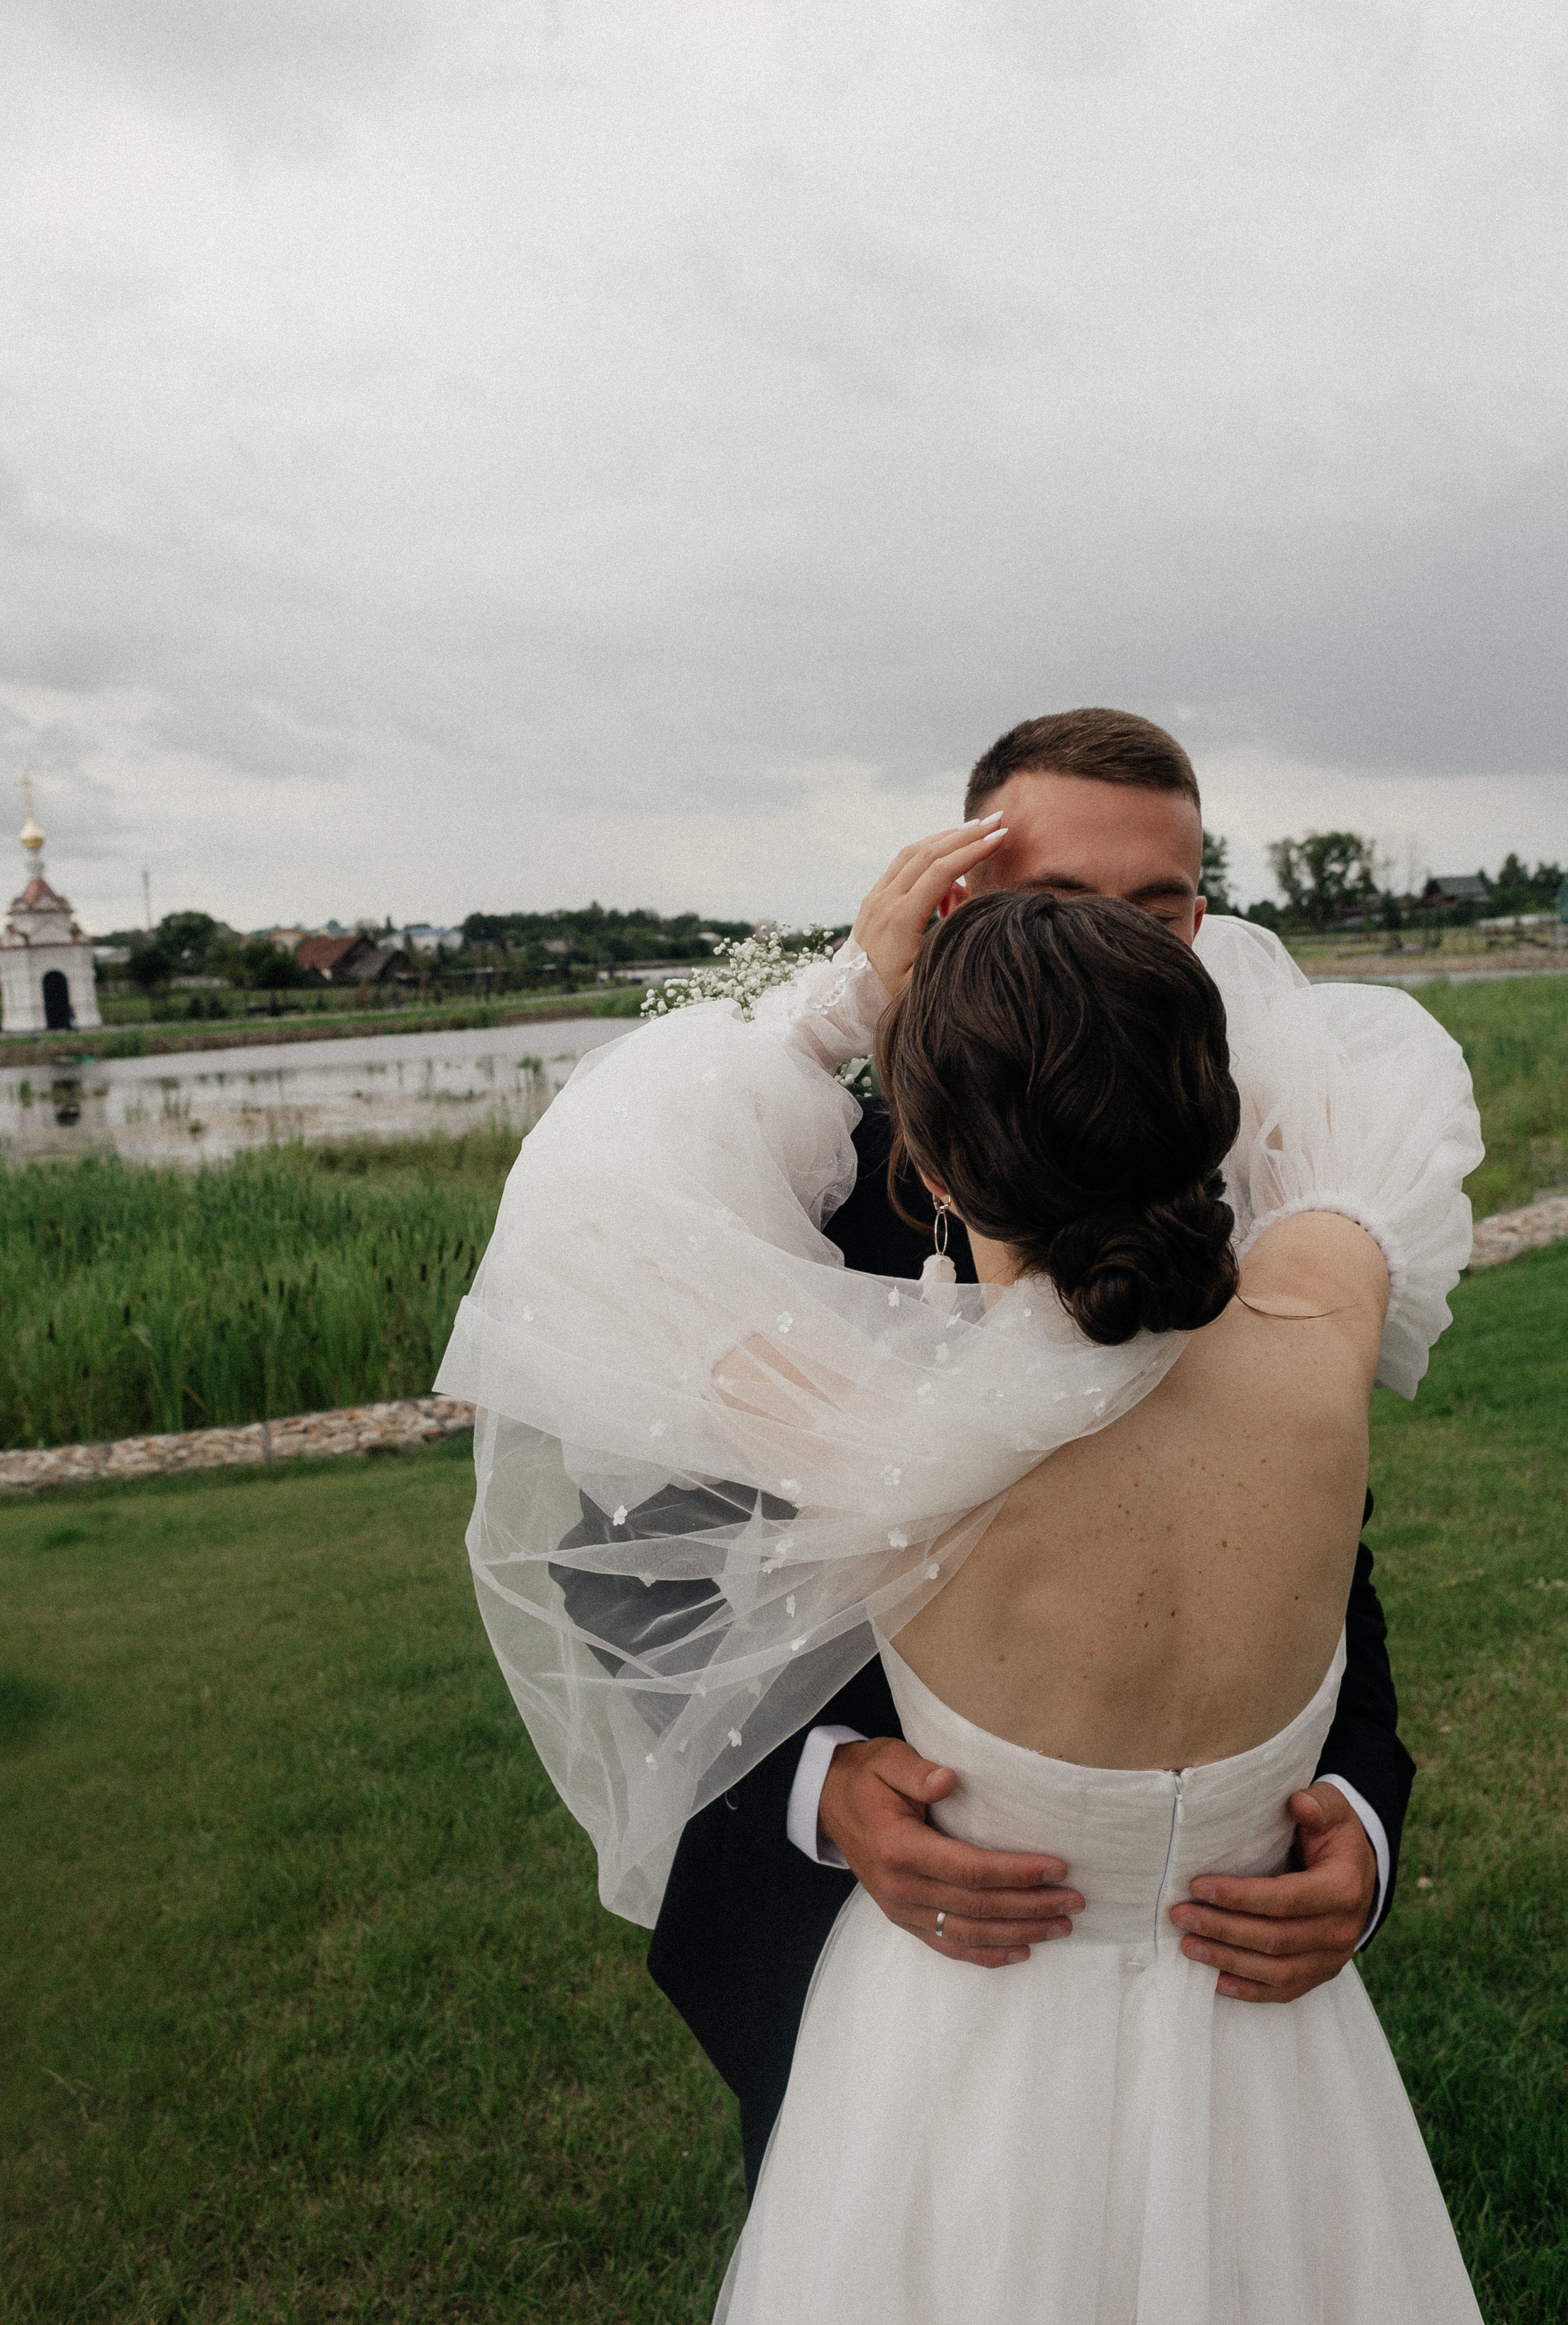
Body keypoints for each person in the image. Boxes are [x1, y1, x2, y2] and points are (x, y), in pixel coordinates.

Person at [436, 785, 1482, 2315]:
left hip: (951, 2043)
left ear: (924, 1154)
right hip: (1267, 2044)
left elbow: (596, 1217)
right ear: (1215, 1105)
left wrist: (830, 1009)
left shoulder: (880, 1434)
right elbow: (1377, 1087)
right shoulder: (1323, 1324)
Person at [650, 712, 1415, 2191]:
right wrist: (811, 1784)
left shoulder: (1261, 1158)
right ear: (950, 907)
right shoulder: (795, 1194)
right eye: (1058, 908)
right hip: (879, 1990)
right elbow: (635, 1559)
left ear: (1208, 913)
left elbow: (1327, 1550)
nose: (1119, 951)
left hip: (1222, 1956)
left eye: (1163, 908)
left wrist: (1364, 1821)